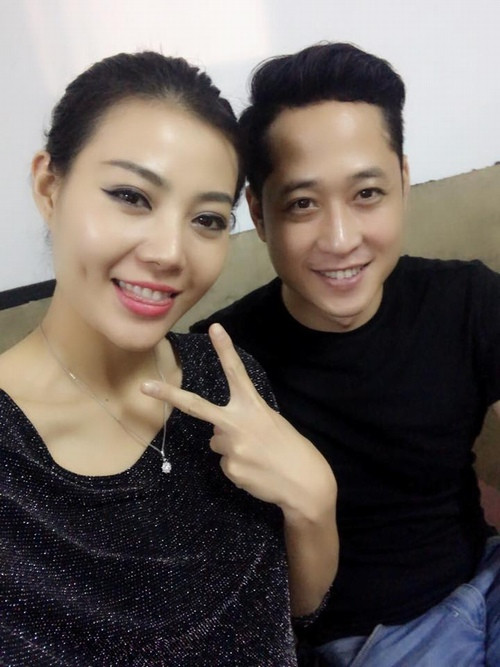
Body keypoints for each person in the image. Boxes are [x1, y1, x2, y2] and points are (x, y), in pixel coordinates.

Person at [0, 51, 339, 666]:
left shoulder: (228, 381)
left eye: (207, 219)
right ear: (50, 187)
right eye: (131, 196)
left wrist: (315, 504)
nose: (170, 253)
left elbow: (296, 614)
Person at [192, 43, 500, 665]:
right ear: (259, 213)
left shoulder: (467, 299)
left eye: (367, 193)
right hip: (375, 642)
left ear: (403, 183)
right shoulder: (221, 363)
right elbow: (259, 604)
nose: (340, 240)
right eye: (303, 203)